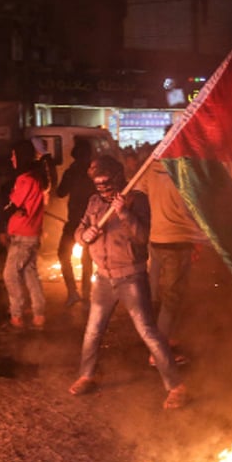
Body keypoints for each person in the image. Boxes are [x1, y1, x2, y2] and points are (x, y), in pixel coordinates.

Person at [68, 155, 188, 409]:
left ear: (117, 178)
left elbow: (143, 236)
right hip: (102, 277)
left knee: (148, 332)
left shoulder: (137, 200)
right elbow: (79, 230)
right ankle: (87, 374)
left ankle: (176, 386)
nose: (102, 188)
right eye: (97, 183)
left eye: (106, 182)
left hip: (131, 277)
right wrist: (83, 236)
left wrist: (124, 212)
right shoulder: (93, 202)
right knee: (92, 331)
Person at [140, 157, 206, 364]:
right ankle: (158, 353)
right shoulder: (182, 173)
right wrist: (200, 238)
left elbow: (140, 193)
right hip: (176, 241)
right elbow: (192, 208)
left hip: (155, 238)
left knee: (153, 295)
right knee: (171, 297)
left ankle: (161, 338)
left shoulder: (150, 169)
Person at [0, 139, 46, 332]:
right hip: (32, 232)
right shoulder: (35, 177)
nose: (11, 159)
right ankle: (38, 314)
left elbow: (12, 204)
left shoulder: (25, 179)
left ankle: (16, 314)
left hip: (22, 235)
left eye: (13, 155)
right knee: (29, 274)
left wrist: (5, 208)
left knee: (10, 274)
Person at [54, 141, 95, 307]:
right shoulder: (94, 172)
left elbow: (60, 192)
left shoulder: (72, 172)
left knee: (63, 255)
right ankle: (86, 295)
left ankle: (73, 292)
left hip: (74, 223)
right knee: (87, 259)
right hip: (91, 223)